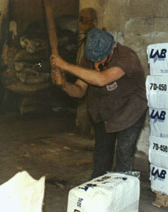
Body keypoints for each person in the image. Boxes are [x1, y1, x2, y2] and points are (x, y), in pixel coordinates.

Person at [50, 28, 147, 178]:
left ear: (112, 48)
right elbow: (80, 91)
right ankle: (97, 188)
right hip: (105, 112)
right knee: (102, 154)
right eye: (94, 61)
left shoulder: (127, 57)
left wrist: (65, 66)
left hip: (130, 111)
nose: (96, 64)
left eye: (101, 59)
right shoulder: (90, 59)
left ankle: (123, 189)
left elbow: (102, 79)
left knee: (123, 152)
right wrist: (64, 85)